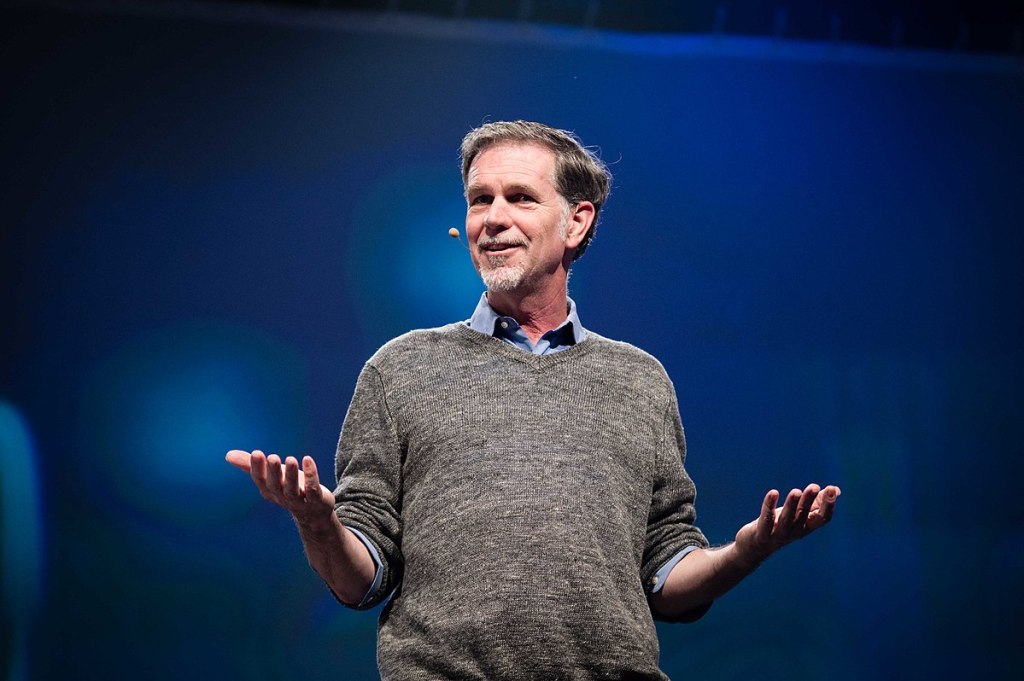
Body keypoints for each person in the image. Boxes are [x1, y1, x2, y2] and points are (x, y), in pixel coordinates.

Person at [226, 120, 841, 680]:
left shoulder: (639, 380)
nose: (492, 218)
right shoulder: (400, 369)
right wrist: (317, 522)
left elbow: (666, 577)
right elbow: (362, 583)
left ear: (576, 222)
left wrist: (747, 551)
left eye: (519, 197)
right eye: (478, 200)